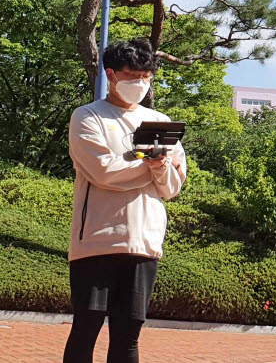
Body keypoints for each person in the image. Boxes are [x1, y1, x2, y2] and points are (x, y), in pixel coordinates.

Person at [63, 38, 187, 363]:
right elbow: (103, 172)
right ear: (111, 74)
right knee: (86, 328)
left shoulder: (162, 122)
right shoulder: (88, 117)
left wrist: (159, 168)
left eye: (145, 77)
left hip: (143, 244)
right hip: (97, 242)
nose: (140, 84)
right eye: (132, 76)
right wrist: (153, 166)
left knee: (128, 337)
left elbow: (173, 186)